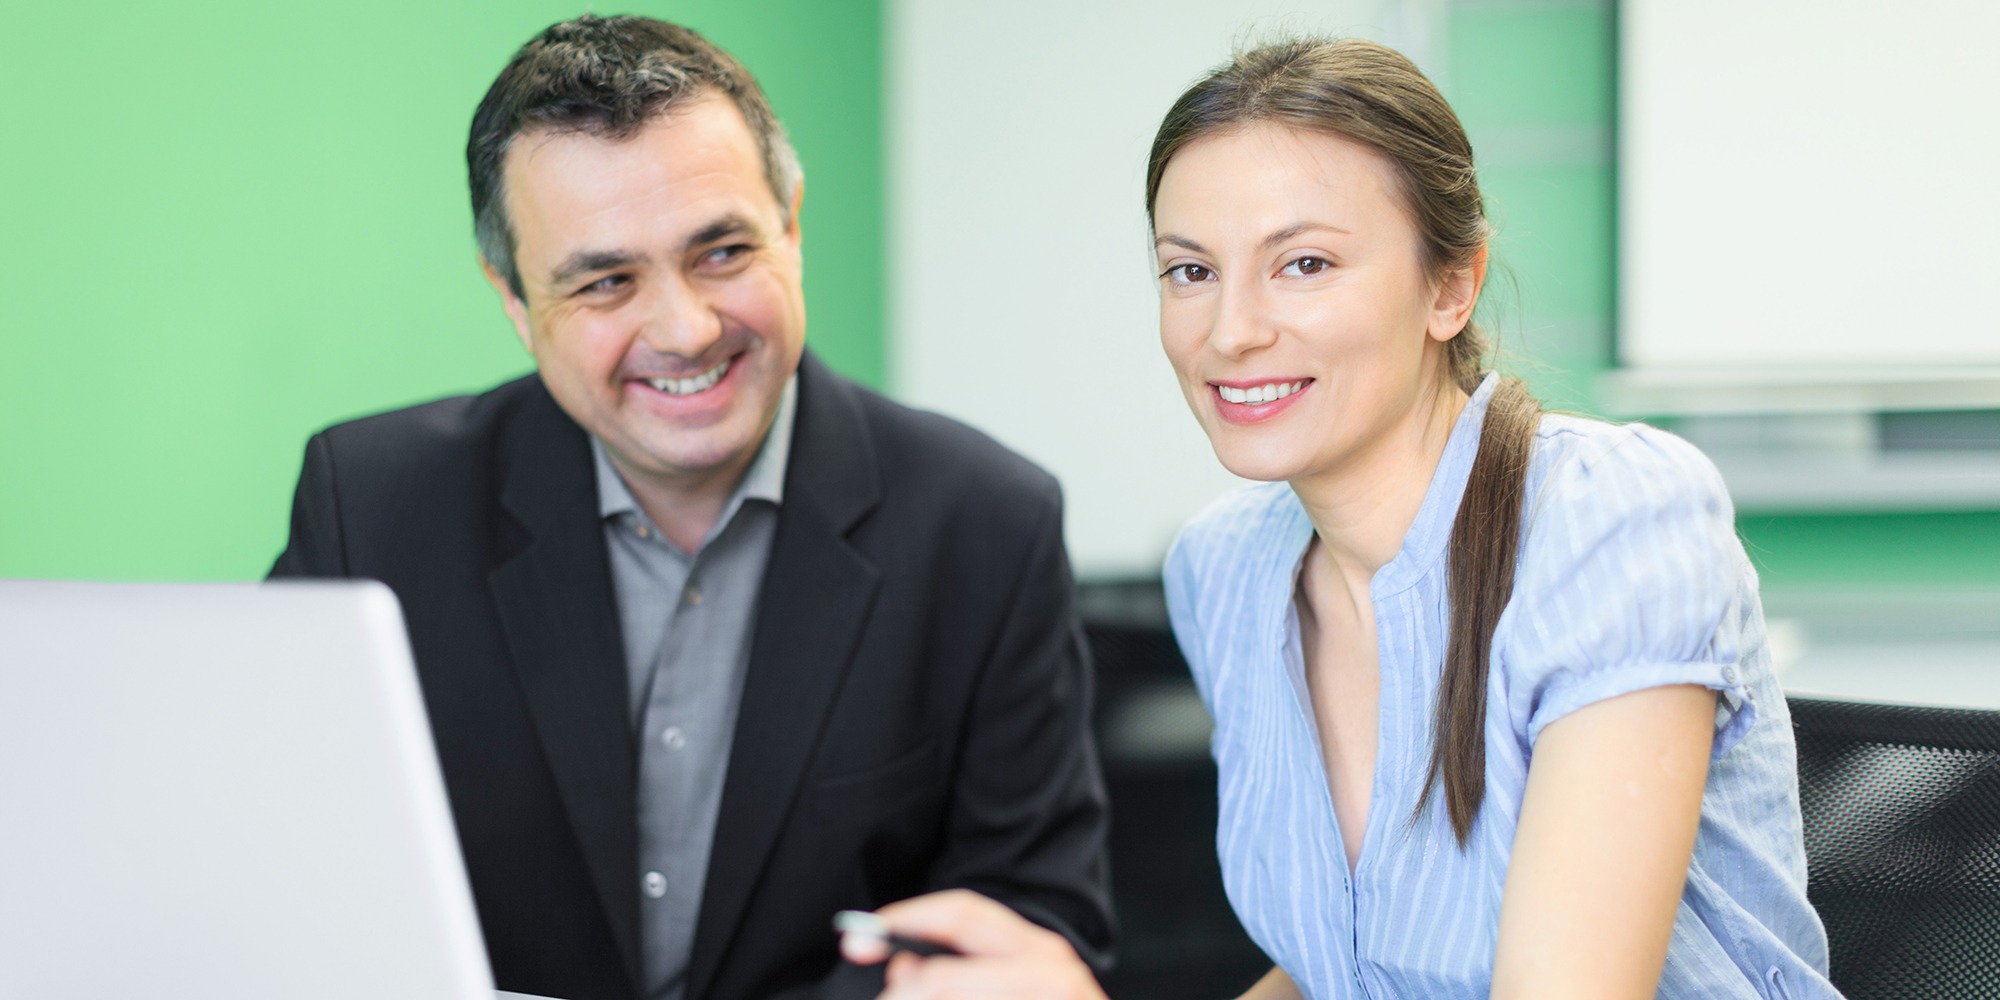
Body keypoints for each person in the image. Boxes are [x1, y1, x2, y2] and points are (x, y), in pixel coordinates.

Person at [840, 37, 1839, 1000]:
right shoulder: (1223, 569)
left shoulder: (1604, 518)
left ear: (1450, 284)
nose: (1229, 331)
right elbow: (1345, 973)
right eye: (1190, 270)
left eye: (1303, 263)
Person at [269, 15, 1111, 1000]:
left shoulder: (985, 523)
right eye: (605, 280)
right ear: (512, 300)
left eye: (720, 253)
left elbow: (1033, 941)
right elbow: (278, 876)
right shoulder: (369, 508)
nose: (684, 327)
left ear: (791, 227)